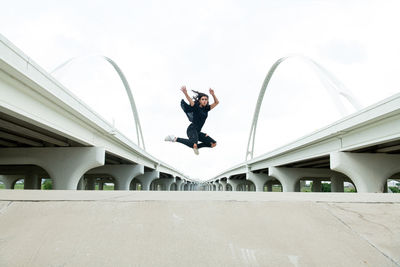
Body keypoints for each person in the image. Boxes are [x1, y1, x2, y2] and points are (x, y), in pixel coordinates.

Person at [165, 86, 219, 155]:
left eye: (206, 99)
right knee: (193, 143)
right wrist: (185, 93)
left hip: (198, 132)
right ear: (199, 100)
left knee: (213, 144)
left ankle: (196, 147)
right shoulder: (196, 106)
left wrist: (213, 94)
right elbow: (190, 100)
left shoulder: (207, 109)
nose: (205, 101)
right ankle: (174, 138)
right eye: (203, 99)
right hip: (191, 129)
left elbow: (216, 102)